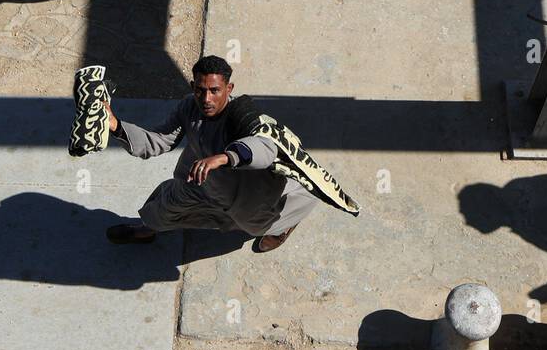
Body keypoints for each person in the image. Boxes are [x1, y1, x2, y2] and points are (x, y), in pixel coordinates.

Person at [104, 56, 359, 252]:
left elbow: (266, 145)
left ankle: (284, 227)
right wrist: (116, 125)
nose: (206, 98)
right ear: (193, 86)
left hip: (244, 193)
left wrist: (225, 157)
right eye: (200, 90)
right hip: (200, 181)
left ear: (229, 88)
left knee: (258, 224)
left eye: (214, 90)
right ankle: (147, 229)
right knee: (166, 205)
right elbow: (160, 140)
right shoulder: (189, 107)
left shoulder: (246, 117)